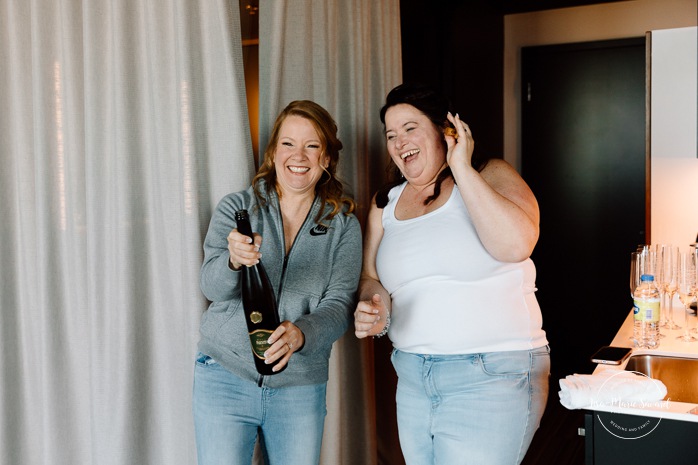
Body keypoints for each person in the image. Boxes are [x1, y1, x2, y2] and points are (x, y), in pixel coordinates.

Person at [354, 83, 549, 465]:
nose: (399, 141)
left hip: (492, 376)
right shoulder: (385, 204)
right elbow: (369, 277)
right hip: (413, 377)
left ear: (446, 130)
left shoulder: (490, 174)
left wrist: (460, 166)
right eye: (391, 134)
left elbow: (516, 245)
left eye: (410, 128)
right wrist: (374, 306)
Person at [194, 100, 362, 465]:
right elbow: (212, 287)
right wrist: (233, 262)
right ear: (272, 153)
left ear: (328, 158)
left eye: (312, 145)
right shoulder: (236, 208)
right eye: (288, 143)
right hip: (224, 376)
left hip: (299, 386)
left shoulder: (343, 224)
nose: (298, 155)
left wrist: (302, 333)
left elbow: (339, 304)